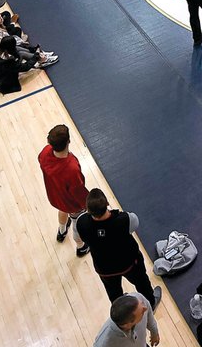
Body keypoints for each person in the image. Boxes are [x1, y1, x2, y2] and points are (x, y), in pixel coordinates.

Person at [76, 188, 161, 308]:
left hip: (104, 268)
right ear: (107, 204)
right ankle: (151, 302)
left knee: (113, 293)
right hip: (129, 263)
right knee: (142, 283)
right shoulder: (125, 220)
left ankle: (122, 312)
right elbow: (134, 221)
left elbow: (82, 237)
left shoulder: (81, 223)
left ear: (88, 210)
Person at [39, 124, 90, 254]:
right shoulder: (71, 168)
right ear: (69, 141)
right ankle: (80, 246)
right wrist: (88, 204)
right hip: (72, 203)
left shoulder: (45, 153)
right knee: (77, 222)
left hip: (55, 196)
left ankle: (61, 231)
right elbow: (78, 191)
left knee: (62, 210)